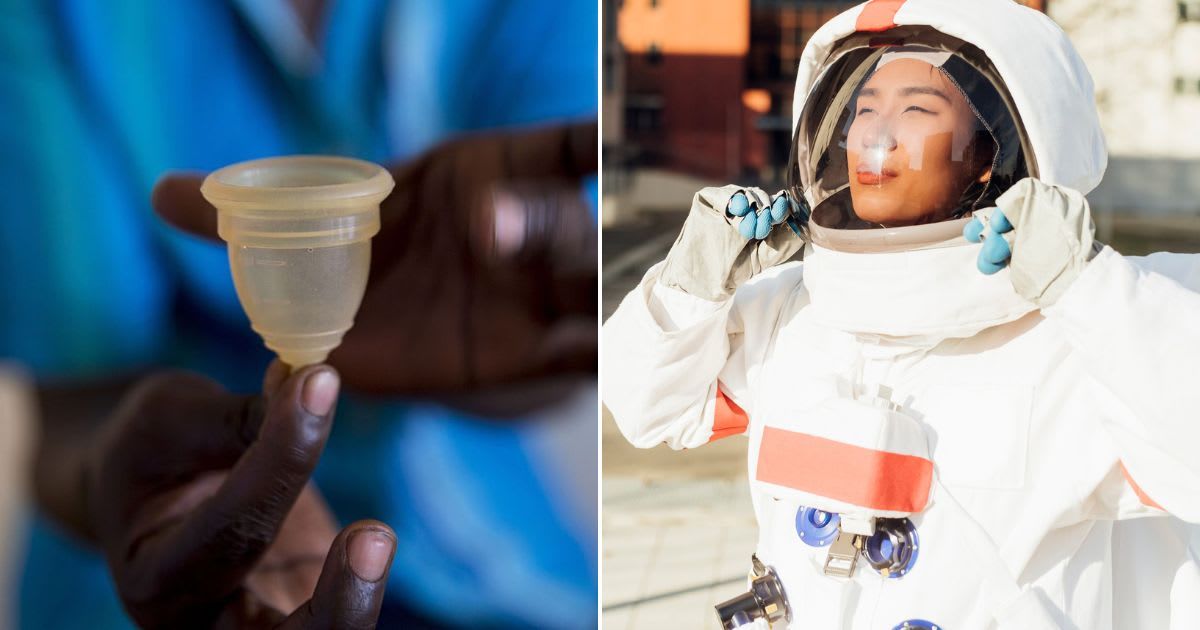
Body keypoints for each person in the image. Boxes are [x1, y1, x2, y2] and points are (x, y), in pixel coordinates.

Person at [603, 0, 1200, 627]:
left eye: (915, 110)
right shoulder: (796, 314)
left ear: (992, 153)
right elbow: (650, 408)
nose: (875, 137)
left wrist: (1088, 288)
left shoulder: (1087, 335)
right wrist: (690, 284)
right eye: (864, 109)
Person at [0, 1, 597, 628]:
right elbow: (71, 401)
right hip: (153, 586)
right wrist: (143, 482)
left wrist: (517, 331)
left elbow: (549, 319)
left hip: (493, 571)